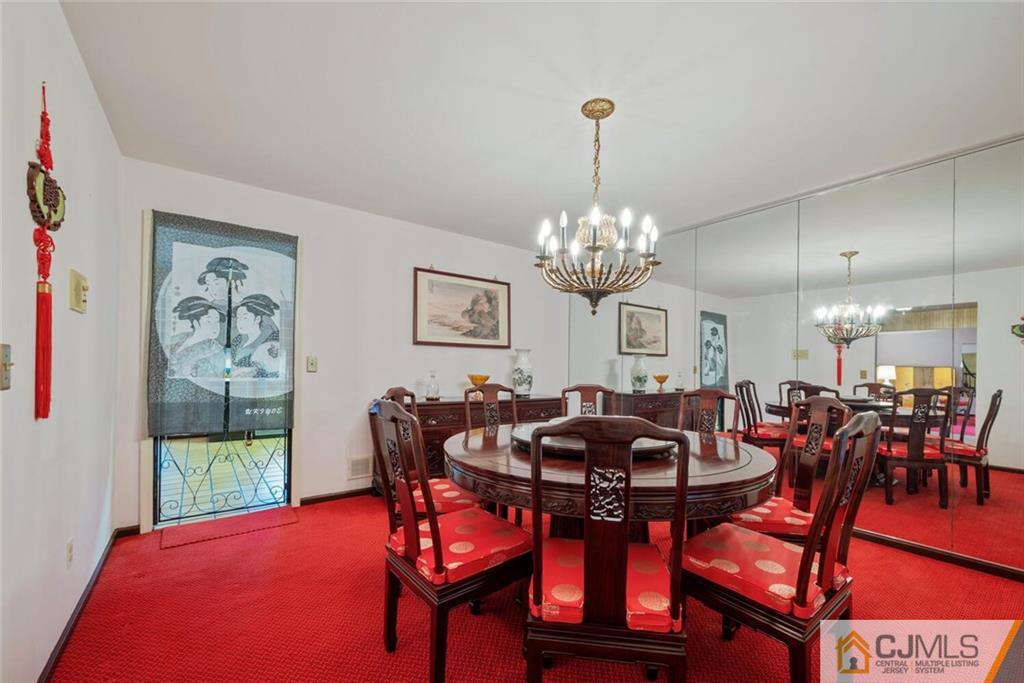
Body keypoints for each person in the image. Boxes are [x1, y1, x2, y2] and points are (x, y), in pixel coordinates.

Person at [167, 296, 227, 380]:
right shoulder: (178, 338)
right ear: (196, 323)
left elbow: (222, 377)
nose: (215, 326)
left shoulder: (216, 350)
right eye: (209, 321)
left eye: (217, 321)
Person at [232, 293, 281, 378]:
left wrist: (249, 371)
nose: (240, 322)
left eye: (245, 318)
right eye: (238, 318)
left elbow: (274, 369)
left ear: (257, 319)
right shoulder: (237, 340)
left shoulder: (272, 339)